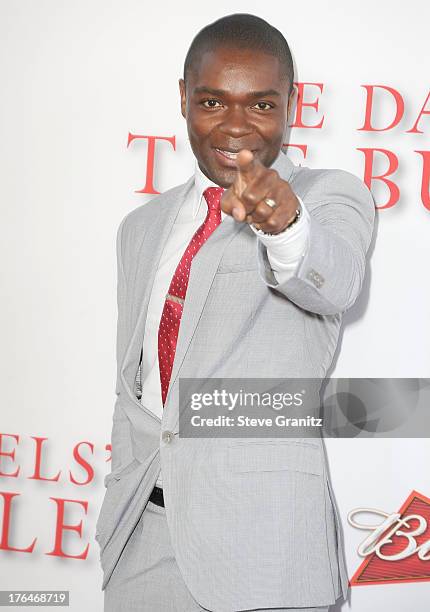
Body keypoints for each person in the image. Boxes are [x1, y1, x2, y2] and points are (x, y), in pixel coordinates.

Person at [95, 13, 375, 612]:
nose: (237, 127)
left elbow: (335, 281)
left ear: (292, 104)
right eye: (214, 102)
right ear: (183, 99)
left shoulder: (329, 197)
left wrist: (286, 224)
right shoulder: (140, 227)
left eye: (262, 106)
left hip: (263, 548)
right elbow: (135, 389)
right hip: (142, 541)